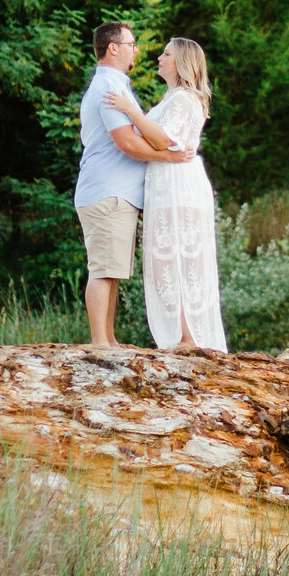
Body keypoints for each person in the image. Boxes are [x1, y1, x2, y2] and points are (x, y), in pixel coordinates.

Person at [105, 37, 225, 352]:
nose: (159, 57)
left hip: (179, 185)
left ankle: (188, 337)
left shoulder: (185, 98)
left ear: (182, 61)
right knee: (166, 262)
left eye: (166, 53)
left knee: (178, 257)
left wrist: (129, 109)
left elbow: (163, 141)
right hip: (166, 184)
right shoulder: (173, 98)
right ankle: (182, 335)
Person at [75, 22, 192, 347]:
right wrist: (168, 157)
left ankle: (109, 340)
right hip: (107, 191)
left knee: (110, 270)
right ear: (113, 47)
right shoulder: (108, 89)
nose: (135, 49)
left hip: (115, 192)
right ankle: (100, 343)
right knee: (102, 269)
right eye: (131, 43)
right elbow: (125, 142)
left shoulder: (116, 86)